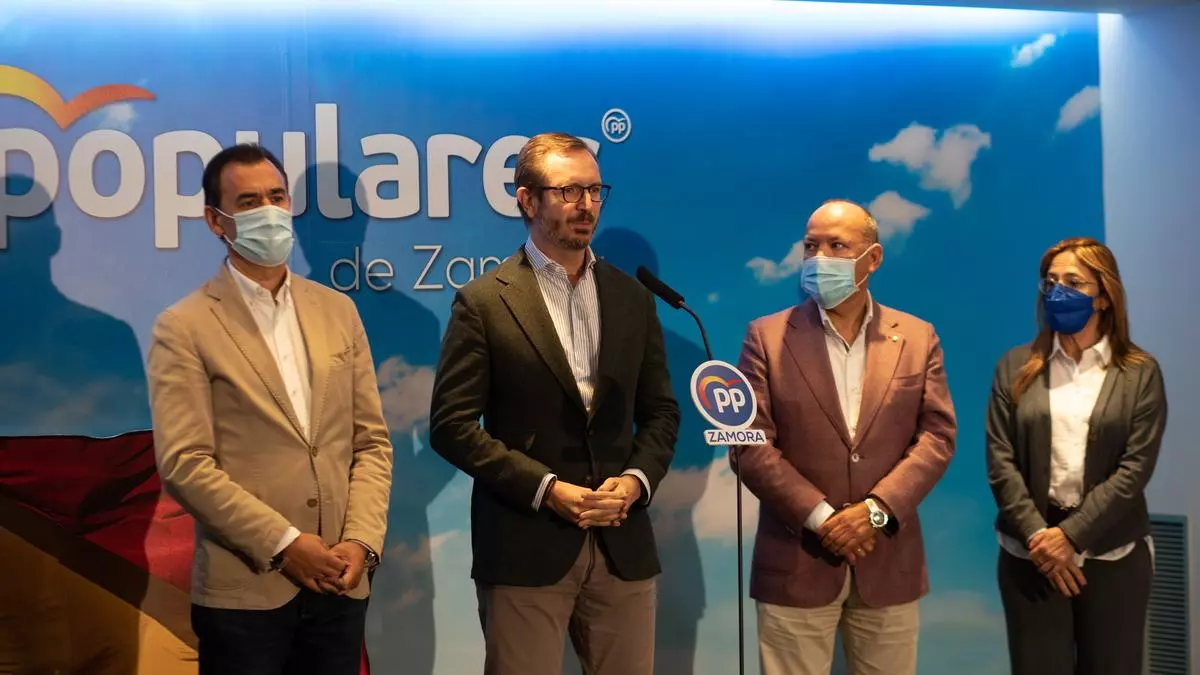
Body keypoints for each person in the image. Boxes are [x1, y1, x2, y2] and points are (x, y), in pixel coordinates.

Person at [428, 132, 680, 675]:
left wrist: (635, 482)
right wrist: (545, 488)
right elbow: (451, 426)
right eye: (569, 191)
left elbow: (661, 411)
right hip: (525, 544)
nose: (586, 205)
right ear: (527, 200)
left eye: (594, 190)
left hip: (621, 541)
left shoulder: (633, 297)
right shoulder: (484, 302)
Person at [146, 143, 393, 675]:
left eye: (276, 197)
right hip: (245, 595)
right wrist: (286, 545)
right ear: (216, 221)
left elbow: (371, 443)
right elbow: (185, 464)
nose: (269, 211)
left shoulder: (338, 310)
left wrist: (361, 541)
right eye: (249, 201)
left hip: (340, 583)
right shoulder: (184, 326)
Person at [733, 199, 956, 675]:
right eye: (811, 246)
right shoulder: (766, 337)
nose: (820, 258)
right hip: (795, 559)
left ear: (872, 259)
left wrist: (874, 512)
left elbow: (937, 438)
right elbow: (749, 446)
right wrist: (825, 519)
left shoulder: (918, 338)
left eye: (837, 246)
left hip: (888, 562)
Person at [986, 236, 1166, 675]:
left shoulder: (1140, 372)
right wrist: (1041, 539)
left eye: (1073, 282)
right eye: (1050, 282)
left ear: (1103, 296)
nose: (1058, 292)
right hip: (1030, 555)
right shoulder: (1014, 366)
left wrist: (1070, 538)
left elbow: (1135, 468)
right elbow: (1001, 460)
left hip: (1113, 554)